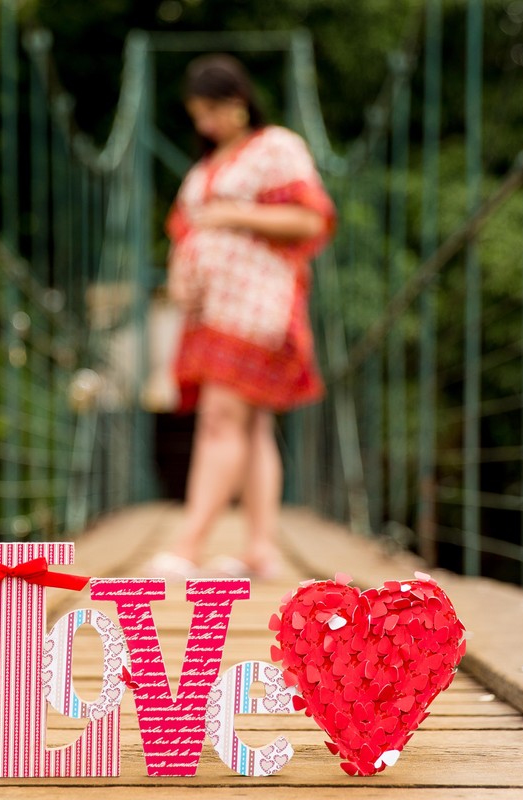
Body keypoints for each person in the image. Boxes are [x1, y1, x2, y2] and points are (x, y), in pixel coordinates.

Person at [146, 54, 336, 580]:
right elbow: (185, 233)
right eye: (197, 113)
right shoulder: (204, 168)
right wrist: (180, 270)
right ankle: (260, 550)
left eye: (212, 110)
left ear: (238, 102)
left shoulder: (276, 147)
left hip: (256, 307)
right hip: (210, 312)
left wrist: (233, 214)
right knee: (251, 426)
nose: (204, 123)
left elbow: (308, 218)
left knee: (219, 419)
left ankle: (187, 545)